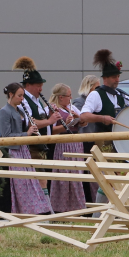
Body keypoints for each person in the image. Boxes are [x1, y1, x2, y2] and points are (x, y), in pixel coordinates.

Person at [81, 49, 129, 208]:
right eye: (114, 77)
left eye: (118, 76)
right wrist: (102, 118)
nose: (117, 80)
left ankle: (107, 212)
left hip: (119, 142)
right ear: (105, 78)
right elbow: (84, 115)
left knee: (119, 176)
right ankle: (104, 213)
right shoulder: (96, 95)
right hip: (103, 141)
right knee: (113, 176)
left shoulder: (119, 95)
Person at [0, 83, 52, 215]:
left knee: (31, 181)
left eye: (23, 96)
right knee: (20, 183)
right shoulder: (4, 112)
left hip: (23, 150)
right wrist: (26, 133)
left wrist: (31, 127)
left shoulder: (19, 111)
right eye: (19, 96)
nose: (22, 99)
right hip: (12, 151)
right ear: (11, 95)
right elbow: (6, 136)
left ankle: (36, 209)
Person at [12, 57, 60, 193]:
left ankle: (45, 203)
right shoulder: (24, 100)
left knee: (44, 180)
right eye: (38, 85)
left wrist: (50, 113)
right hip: (32, 147)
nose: (41, 88)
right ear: (28, 85)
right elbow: (30, 122)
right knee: (39, 181)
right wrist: (49, 121)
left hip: (43, 147)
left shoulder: (36, 100)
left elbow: (40, 118)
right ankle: (43, 204)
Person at [48, 83, 88, 212]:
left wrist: (78, 118)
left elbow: (84, 123)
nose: (71, 98)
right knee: (64, 177)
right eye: (68, 96)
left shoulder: (72, 107)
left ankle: (77, 207)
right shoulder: (53, 109)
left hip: (76, 144)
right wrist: (66, 124)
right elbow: (51, 130)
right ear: (61, 97)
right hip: (64, 144)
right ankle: (61, 208)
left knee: (77, 177)